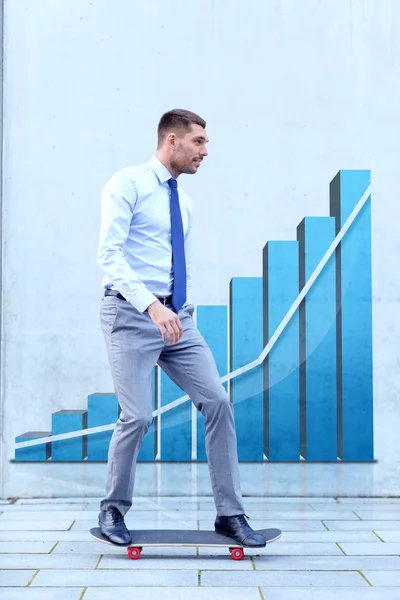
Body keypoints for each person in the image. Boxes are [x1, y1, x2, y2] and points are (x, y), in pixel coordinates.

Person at [96, 108, 265, 548]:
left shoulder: (183, 201)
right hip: (133, 315)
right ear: (172, 140)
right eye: (199, 142)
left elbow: (176, 263)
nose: (205, 152)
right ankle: (113, 508)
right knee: (136, 416)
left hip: (177, 320)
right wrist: (153, 307)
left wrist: (180, 308)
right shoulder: (127, 184)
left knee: (218, 402)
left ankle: (230, 514)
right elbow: (109, 256)